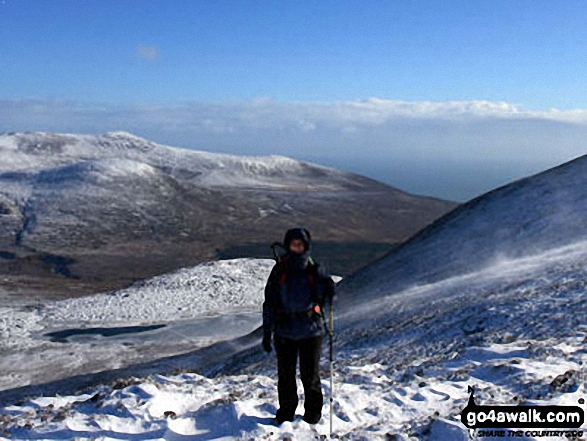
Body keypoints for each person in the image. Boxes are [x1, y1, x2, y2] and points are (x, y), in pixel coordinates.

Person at [262, 227, 336, 425]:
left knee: (310, 374)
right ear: (288, 245)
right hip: (285, 330)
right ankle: (286, 411)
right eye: (293, 244)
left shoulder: (313, 270)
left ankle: (312, 414)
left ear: (306, 246)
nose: (296, 247)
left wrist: (328, 288)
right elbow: (270, 302)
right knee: (286, 375)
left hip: (310, 330)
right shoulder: (280, 271)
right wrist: (267, 331)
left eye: (300, 244)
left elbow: (325, 296)